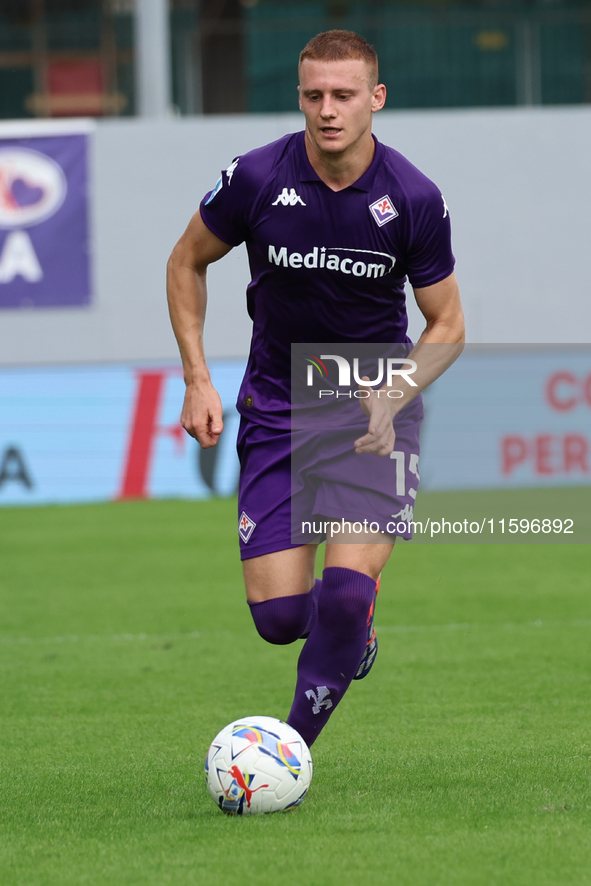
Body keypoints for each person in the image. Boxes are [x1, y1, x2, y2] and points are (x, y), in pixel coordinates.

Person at [167, 30, 465, 749]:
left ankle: (287, 752)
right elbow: (185, 263)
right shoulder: (256, 177)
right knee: (278, 618)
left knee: (344, 589)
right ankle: (347, 629)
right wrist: (198, 379)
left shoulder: (411, 197)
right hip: (276, 405)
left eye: (343, 95)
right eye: (313, 96)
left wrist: (396, 389)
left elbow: (447, 324)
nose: (327, 110)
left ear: (375, 99)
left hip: (372, 411)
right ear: (299, 96)